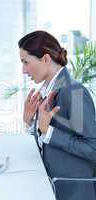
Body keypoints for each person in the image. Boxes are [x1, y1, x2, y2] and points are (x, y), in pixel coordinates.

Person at [19, 30, 96, 200]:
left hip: (72, 192)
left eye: (26, 62)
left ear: (45, 59)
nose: (23, 70)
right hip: (50, 186)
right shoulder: (48, 90)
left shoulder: (74, 91)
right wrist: (29, 122)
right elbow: (46, 144)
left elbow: (93, 149)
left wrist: (48, 132)